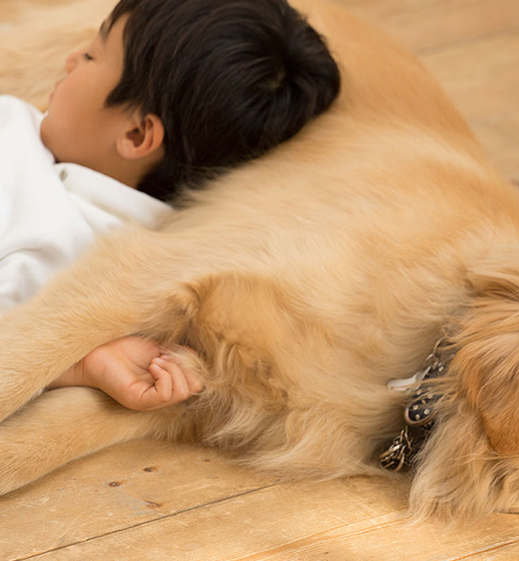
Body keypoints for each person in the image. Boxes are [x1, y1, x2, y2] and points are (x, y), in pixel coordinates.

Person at [2, 0, 341, 411]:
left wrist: (75, 368)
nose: (71, 59)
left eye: (92, 55)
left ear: (136, 133)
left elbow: (14, 345)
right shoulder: (35, 138)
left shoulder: (52, 240)